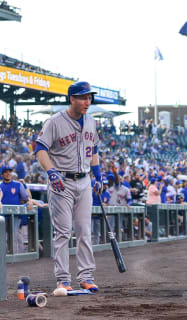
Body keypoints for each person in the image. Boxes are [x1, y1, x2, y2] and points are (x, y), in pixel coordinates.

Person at [35, 81, 101, 292]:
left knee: (84, 230)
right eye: (83, 97)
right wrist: (51, 171)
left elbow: (94, 150)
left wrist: (98, 174)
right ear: (71, 98)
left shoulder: (91, 121)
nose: (87, 101)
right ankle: (63, 279)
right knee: (63, 232)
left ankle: (86, 276)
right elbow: (40, 149)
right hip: (61, 181)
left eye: (89, 97)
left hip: (84, 181)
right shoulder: (54, 122)